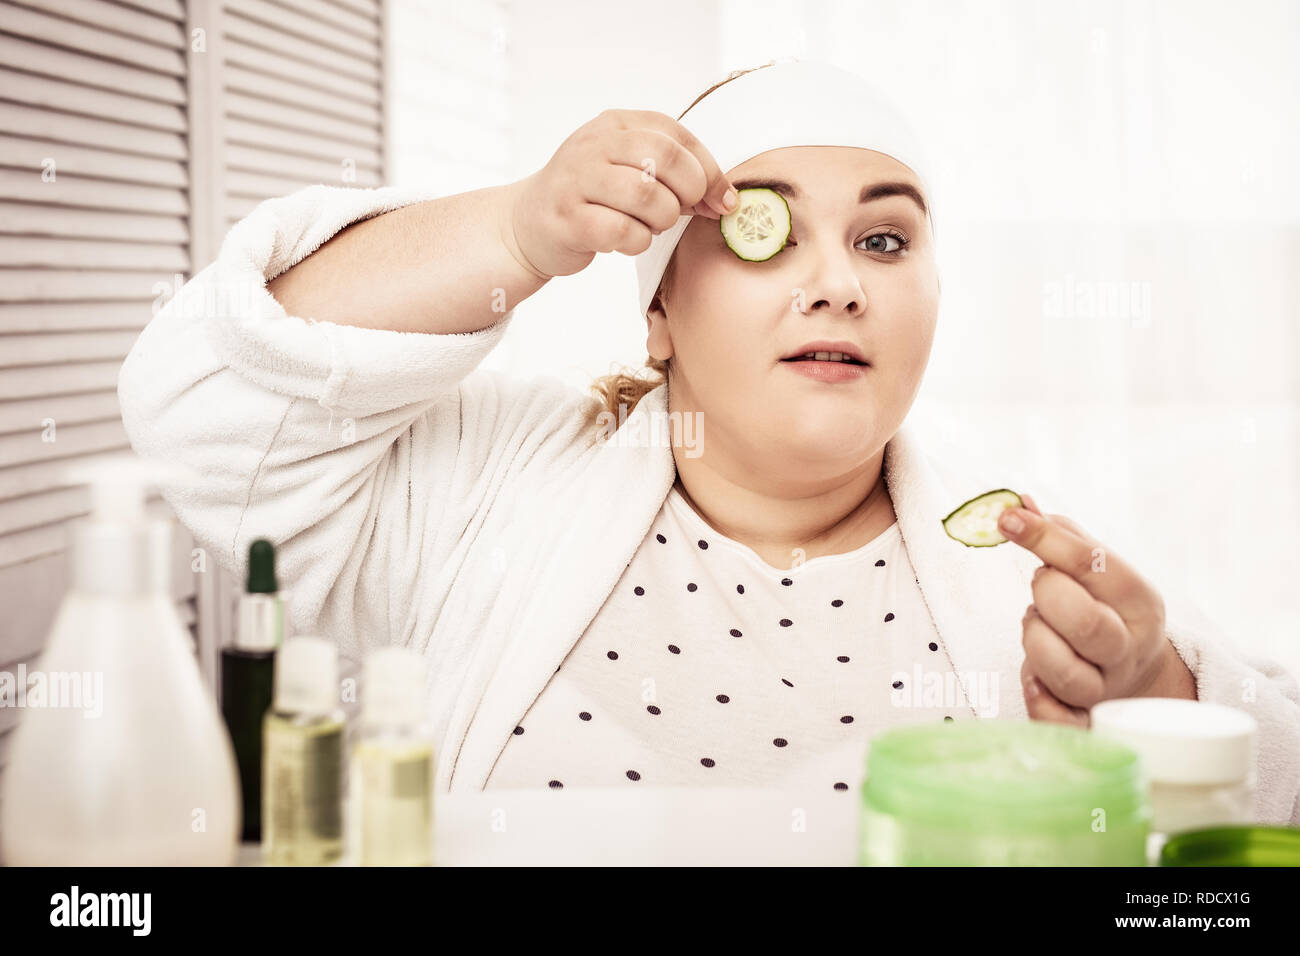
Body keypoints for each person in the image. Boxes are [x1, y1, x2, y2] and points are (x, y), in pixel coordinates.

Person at [118, 58, 1300, 822]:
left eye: (885, 243)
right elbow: (205, 413)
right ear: (659, 311)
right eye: (764, 233)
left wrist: (1153, 698)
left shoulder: (1025, 574)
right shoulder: (487, 490)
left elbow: (1276, 786)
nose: (837, 283)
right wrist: (523, 227)